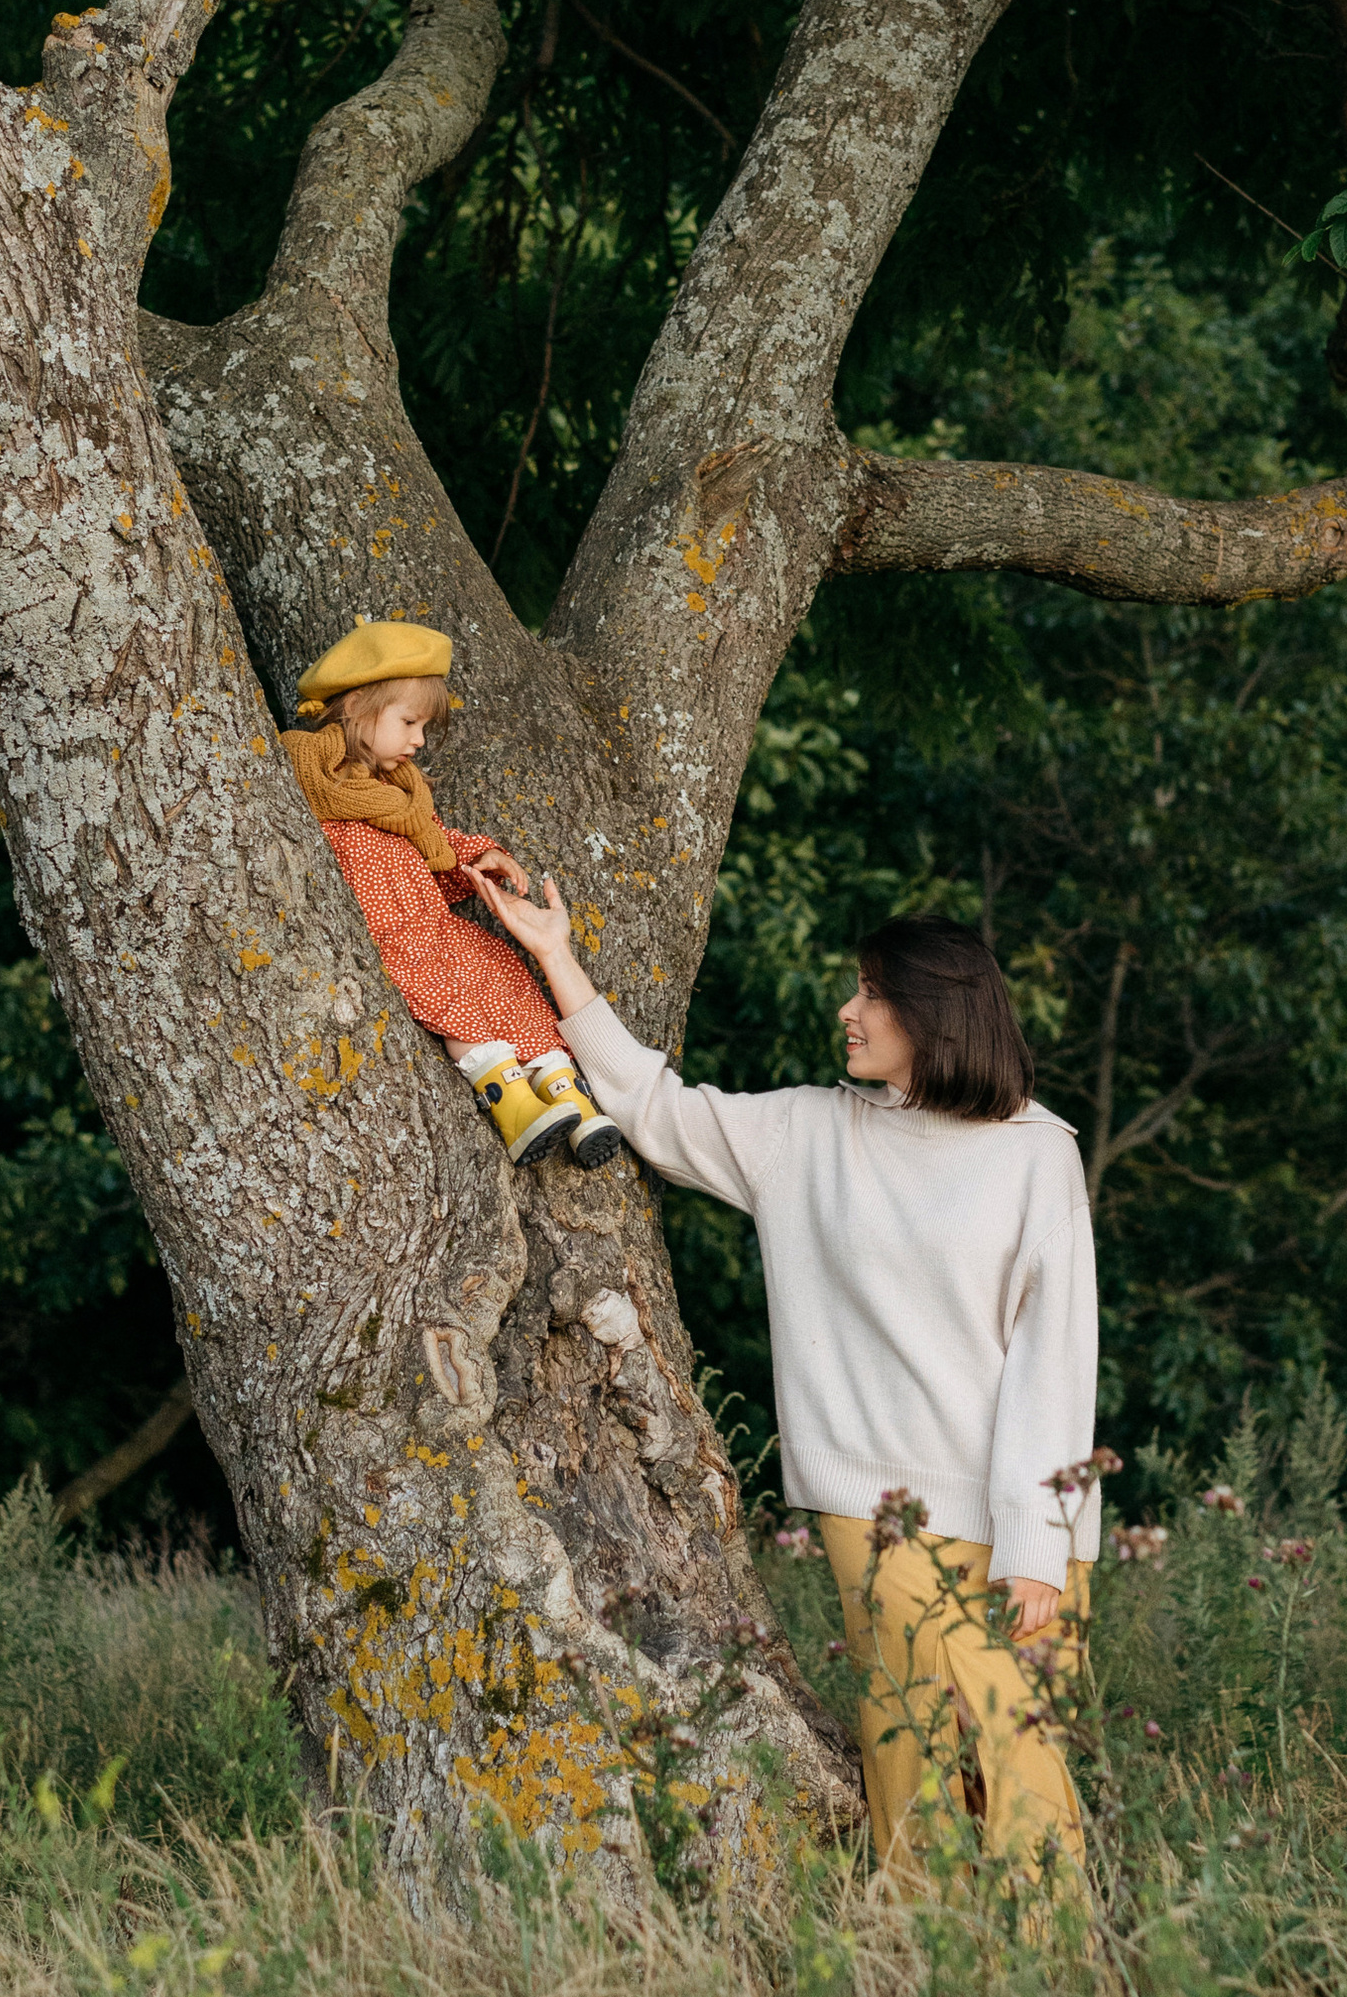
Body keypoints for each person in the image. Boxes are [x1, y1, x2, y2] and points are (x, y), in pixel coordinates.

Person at [472, 875, 1103, 1899]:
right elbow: (652, 1108)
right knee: (911, 1759)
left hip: (1021, 1520)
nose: (848, 1011)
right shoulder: (808, 1133)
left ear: (935, 1013)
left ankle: (1056, 1973)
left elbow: (1055, 1358)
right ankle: (920, 1966)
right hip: (879, 1512)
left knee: (1023, 1770)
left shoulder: (1039, 1155)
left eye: (872, 993)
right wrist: (556, 959)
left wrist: (1036, 1542)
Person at [279, 621, 621, 1168]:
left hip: (436, 924)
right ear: (358, 707)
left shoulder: (402, 793)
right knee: (453, 1000)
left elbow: (434, 848)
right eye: (408, 722)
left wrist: (477, 857)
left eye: (422, 726)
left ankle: (567, 1095)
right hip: (392, 934)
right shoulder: (310, 774)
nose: (418, 740)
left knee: (505, 980)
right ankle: (513, 1106)